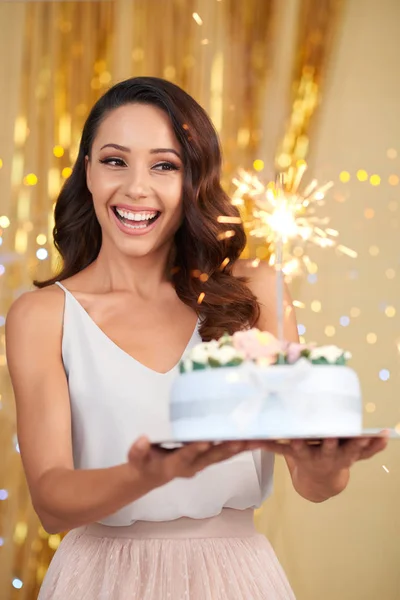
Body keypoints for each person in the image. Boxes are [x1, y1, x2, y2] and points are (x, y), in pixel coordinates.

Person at [6, 77, 387, 600]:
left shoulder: (258, 293)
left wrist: (329, 467)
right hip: (97, 582)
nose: (137, 187)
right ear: (87, 172)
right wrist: (152, 472)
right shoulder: (42, 315)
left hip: (235, 579)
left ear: (194, 179)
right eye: (115, 160)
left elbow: (311, 482)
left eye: (165, 165)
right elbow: (51, 502)